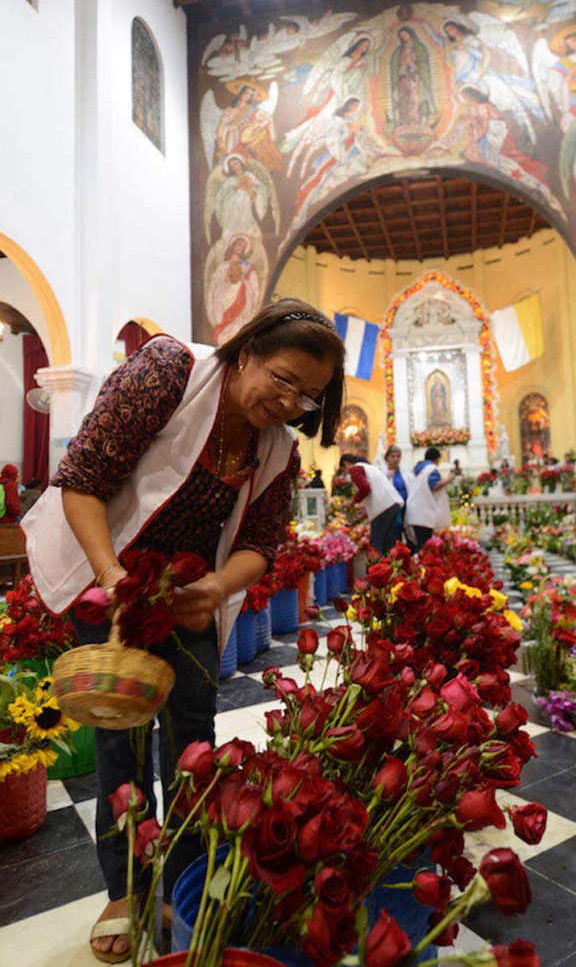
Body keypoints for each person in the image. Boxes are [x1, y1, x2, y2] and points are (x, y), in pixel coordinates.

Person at [23, 298, 345, 964]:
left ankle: (185, 880)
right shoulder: (167, 371)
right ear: (246, 351)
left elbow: (261, 543)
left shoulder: (278, 449)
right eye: (281, 379)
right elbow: (81, 482)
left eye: (308, 396)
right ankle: (126, 888)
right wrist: (114, 579)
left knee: (194, 741)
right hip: (108, 572)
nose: (290, 403)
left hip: (190, 596)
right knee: (121, 741)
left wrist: (216, 589)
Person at [340, 453, 403, 558]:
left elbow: (365, 488)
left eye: (344, 470)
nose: (347, 473)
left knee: (376, 545)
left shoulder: (355, 469)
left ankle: (375, 571)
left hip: (383, 508)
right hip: (392, 505)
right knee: (388, 544)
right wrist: (359, 519)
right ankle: (388, 571)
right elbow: (373, 497)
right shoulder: (369, 468)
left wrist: (351, 503)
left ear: (346, 464)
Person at [405, 446, 454, 550]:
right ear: (437, 459)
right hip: (424, 513)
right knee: (425, 544)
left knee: (419, 543)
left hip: (413, 511)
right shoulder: (431, 469)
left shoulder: (417, 470)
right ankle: (424, 565)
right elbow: (435, 485)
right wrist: (448, 479)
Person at [384, 444, 408, 545]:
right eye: (393, 456)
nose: (396, 459)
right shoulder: (382, 471)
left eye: (398, 456)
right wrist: (387, 477)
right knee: (396, 527)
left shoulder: (404, 471)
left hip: (405, 505)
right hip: (392, 506)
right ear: (387, 457)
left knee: (405, 527)